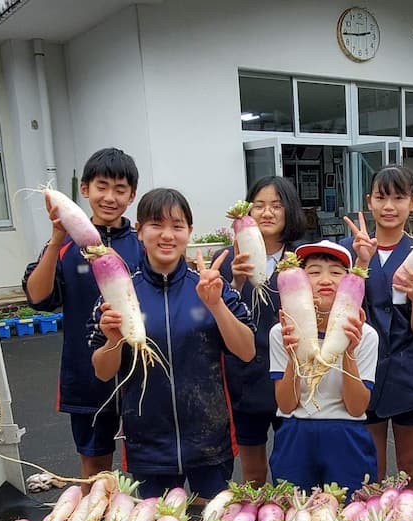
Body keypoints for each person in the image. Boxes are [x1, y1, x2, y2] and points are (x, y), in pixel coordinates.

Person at [91, 188, 254, 499]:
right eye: (156, 225)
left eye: (177, 226)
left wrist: (216, 305)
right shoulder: (119, 293)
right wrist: (113, 340)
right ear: (139, 231)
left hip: (211, 442)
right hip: (147, 447)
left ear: (189, 232)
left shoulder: (209, 287)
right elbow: (102, 371)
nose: (167, 235)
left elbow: (246, 351)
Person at [23, 147, 143, 484]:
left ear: (132, 195)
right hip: (86, 374)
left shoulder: (141, 244)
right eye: (102, 187)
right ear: (85, 189)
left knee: (148, 461)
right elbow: (38, 297)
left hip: (142, 372)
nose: (110, 197)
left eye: (120, 190)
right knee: (95, 468)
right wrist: (56, 239)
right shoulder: (65, 245)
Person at [342, 165, 413, 490]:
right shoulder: (348, 251)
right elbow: (339, 310)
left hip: (411, 372)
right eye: (381, 197)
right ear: (369, 202)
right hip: (364, 371)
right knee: (369, 469)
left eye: (398, 198)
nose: (389, 206)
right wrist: (360, 263)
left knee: (412, 470)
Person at [268, 241, 378, 494]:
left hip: (346, 435)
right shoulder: (281, 333)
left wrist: (348, 350)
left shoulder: (366, 335)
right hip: (296, 433)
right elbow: (285, 404)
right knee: (294, 516)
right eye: (314, 272)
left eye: (336, 272)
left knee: (348, 520)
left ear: (350, 283)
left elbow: (357, 407)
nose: (325, 280)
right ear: (299, 282)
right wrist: (293, 355)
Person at [217, 176, 307, 487]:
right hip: (244, 376)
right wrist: (235, 284)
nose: (267, 213)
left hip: (290, 376)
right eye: (259, 206)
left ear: (289, 211)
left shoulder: (303, 260)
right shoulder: (229, 260)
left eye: (276, 206)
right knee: (253, 472)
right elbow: (217, 316)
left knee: (292, 468)